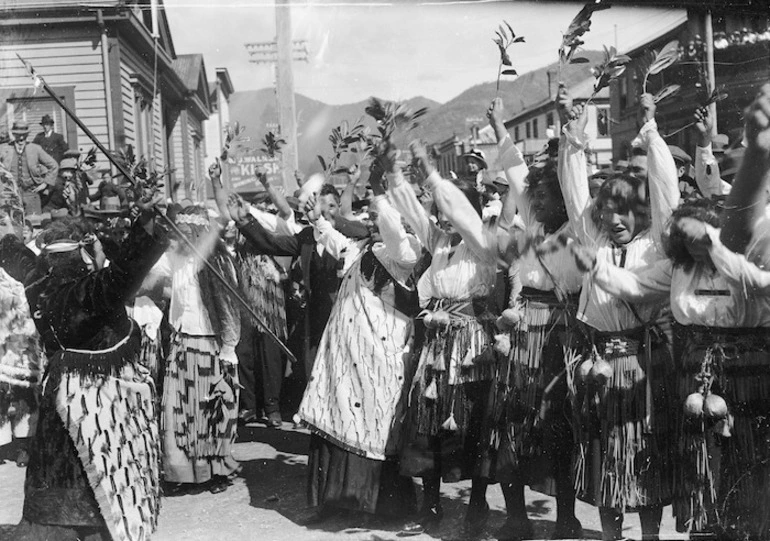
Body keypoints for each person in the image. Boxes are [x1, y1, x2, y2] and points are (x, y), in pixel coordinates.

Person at [0, 196, 166, 541]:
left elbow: (20, 258)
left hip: (58, 400)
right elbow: (128, 271)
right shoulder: (93, 292)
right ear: (84, 254)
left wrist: (7, 236)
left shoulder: (38, 284)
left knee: (56, 490)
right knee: (100, 487)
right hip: (96, 408)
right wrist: (145, 221)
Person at [559, 93, 679, 541]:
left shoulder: (657, 245)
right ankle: (611, 536)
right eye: (607, 212)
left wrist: (650, 133)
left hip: (643, 366)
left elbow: (667, 194)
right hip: (600, 366)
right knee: (605, 457)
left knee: (643, 453)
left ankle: (650, 537)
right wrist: (573, 139)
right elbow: (576, 200)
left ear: (640, 212)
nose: (613, 219)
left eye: (622, 212)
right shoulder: (596, 245)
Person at [291, 155, 421, 521]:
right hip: (343, 360)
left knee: (371, 427)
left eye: (380, 217)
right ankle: (333, 503)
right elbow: (333, 239)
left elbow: (394, 236)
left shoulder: (405, 252)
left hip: (377, 359)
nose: (373, 223)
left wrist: (383, 198)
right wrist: (316, 217)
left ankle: (372, 506)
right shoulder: (363, 250)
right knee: (335, 419)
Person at [487, 94, 584, 540]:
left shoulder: (579, 228)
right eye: (540, 193)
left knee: (559, 424)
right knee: (511, 418)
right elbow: (515, 171)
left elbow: (572, 174)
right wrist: (500, 128)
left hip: (559, 336)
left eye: (554, 191)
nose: (543, 198)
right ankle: (516, 517)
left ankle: (565, 517)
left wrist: (570, 129)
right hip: (523, 327)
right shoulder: (532, 218)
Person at [393, 140, 498, 538]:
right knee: (429, 419)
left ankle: (476, 503)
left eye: (453, 210)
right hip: (437, 344)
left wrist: (430, 171)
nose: (445, 218)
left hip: (470, 343)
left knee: (472, 421)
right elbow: (413, 213)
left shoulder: (481, 246)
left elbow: (462, 216)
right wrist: (398, 174)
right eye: (442, 212)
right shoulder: (439, 242)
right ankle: (432, 502)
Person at [151, 205, 242, 494]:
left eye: (189, 232)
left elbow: (229, 309)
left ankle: (215, 472)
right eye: (180, 232)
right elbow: (148, 268)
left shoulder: (217, 264)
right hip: (181, 344)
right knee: (178, 412)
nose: (183, 237)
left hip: (210, 346)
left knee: (211, 411)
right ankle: (182, 473)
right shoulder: (175, 260)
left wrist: (229, 346)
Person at [0, 211, 43, 469]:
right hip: (3, 333)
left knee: (24, 389)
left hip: (23, 334)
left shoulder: (27, 257)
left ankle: (24, 444)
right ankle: (5, 443)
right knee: (2, 391)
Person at [0, 120, 58, 216]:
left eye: (24, 135)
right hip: (10, 194)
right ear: (14, 134)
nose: (21, 138)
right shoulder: (4, 149)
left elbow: (53, 165)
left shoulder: (35, 149)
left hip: (31, 193)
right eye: (18, 135)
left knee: (34, 223)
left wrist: (46, 183)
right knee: (12, 223)